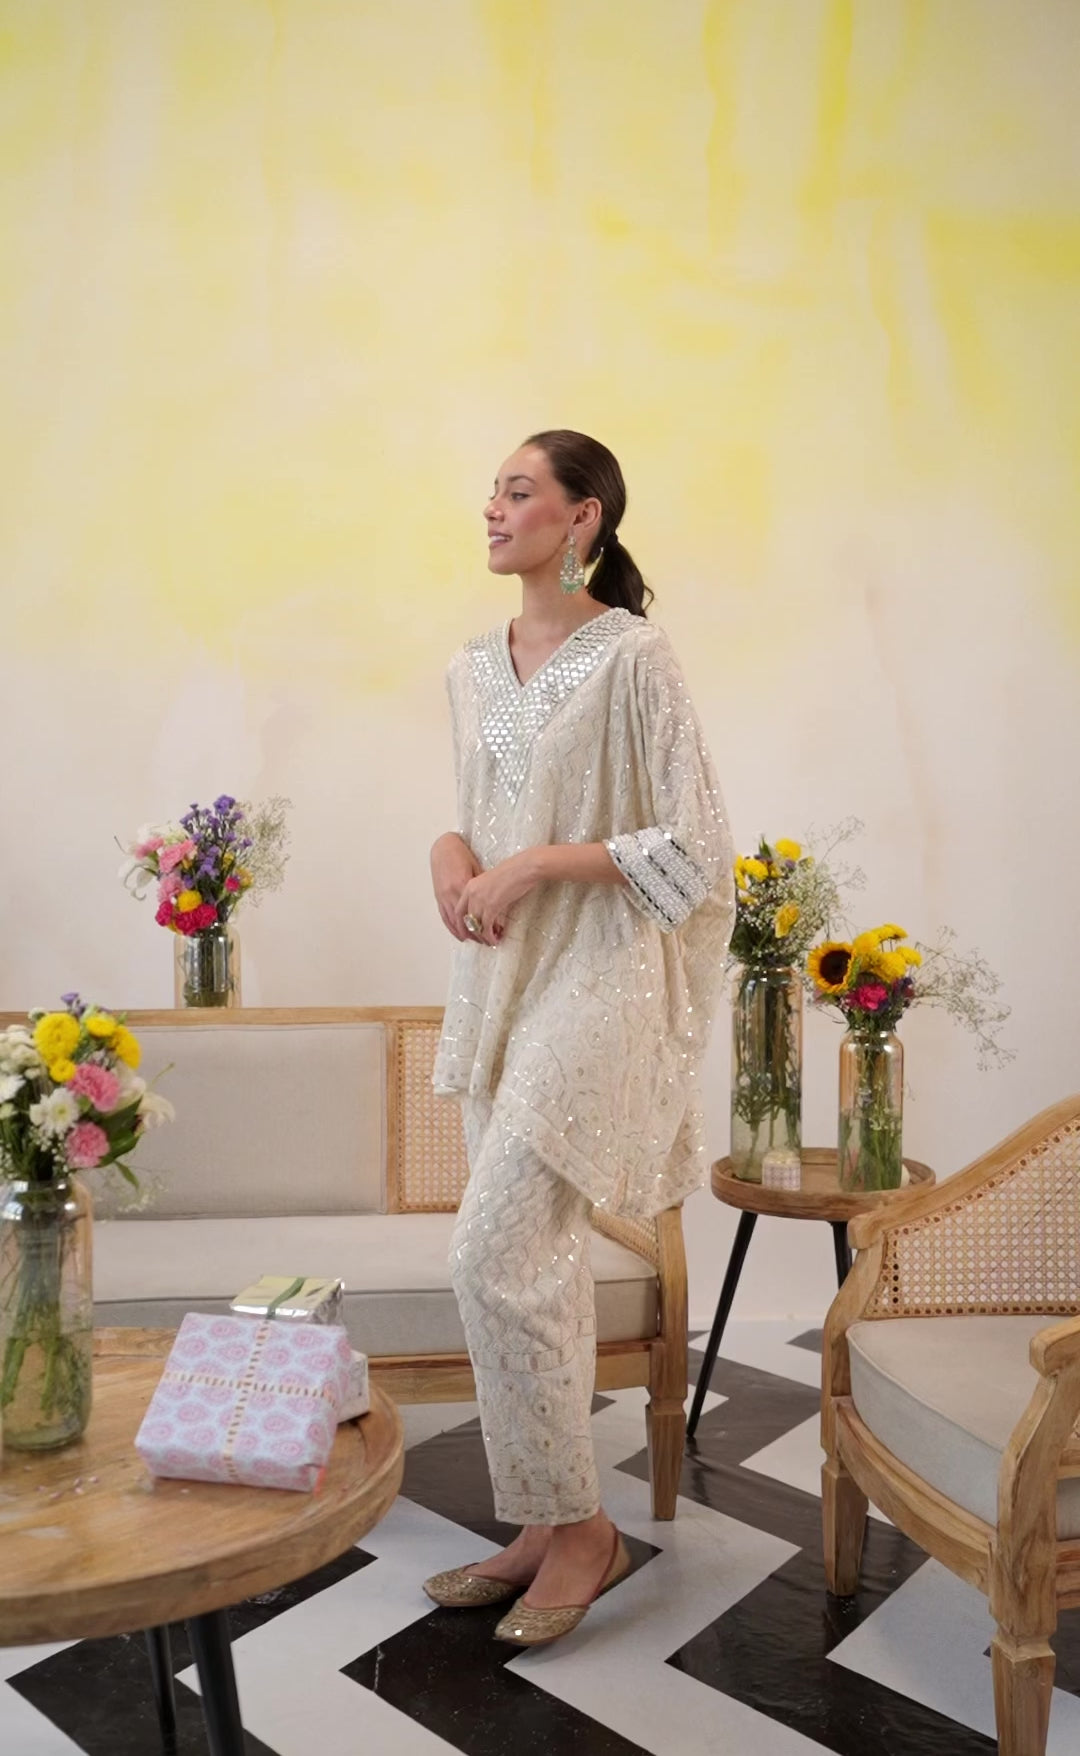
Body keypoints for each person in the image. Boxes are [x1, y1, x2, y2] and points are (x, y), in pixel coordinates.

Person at [424, 429, 734, 1647]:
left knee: (489, 1251)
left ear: (582, 517)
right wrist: (450, 856)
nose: (492, 507)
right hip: (499, 978)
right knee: (535, 1265)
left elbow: (696, 849)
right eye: (492, 490)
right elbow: (472, 814)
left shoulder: (635, 657)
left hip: (598, 979)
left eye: (519, 490)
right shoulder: (469, 665)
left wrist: (544, 862)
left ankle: (588, 1532)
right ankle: (547, 1522)